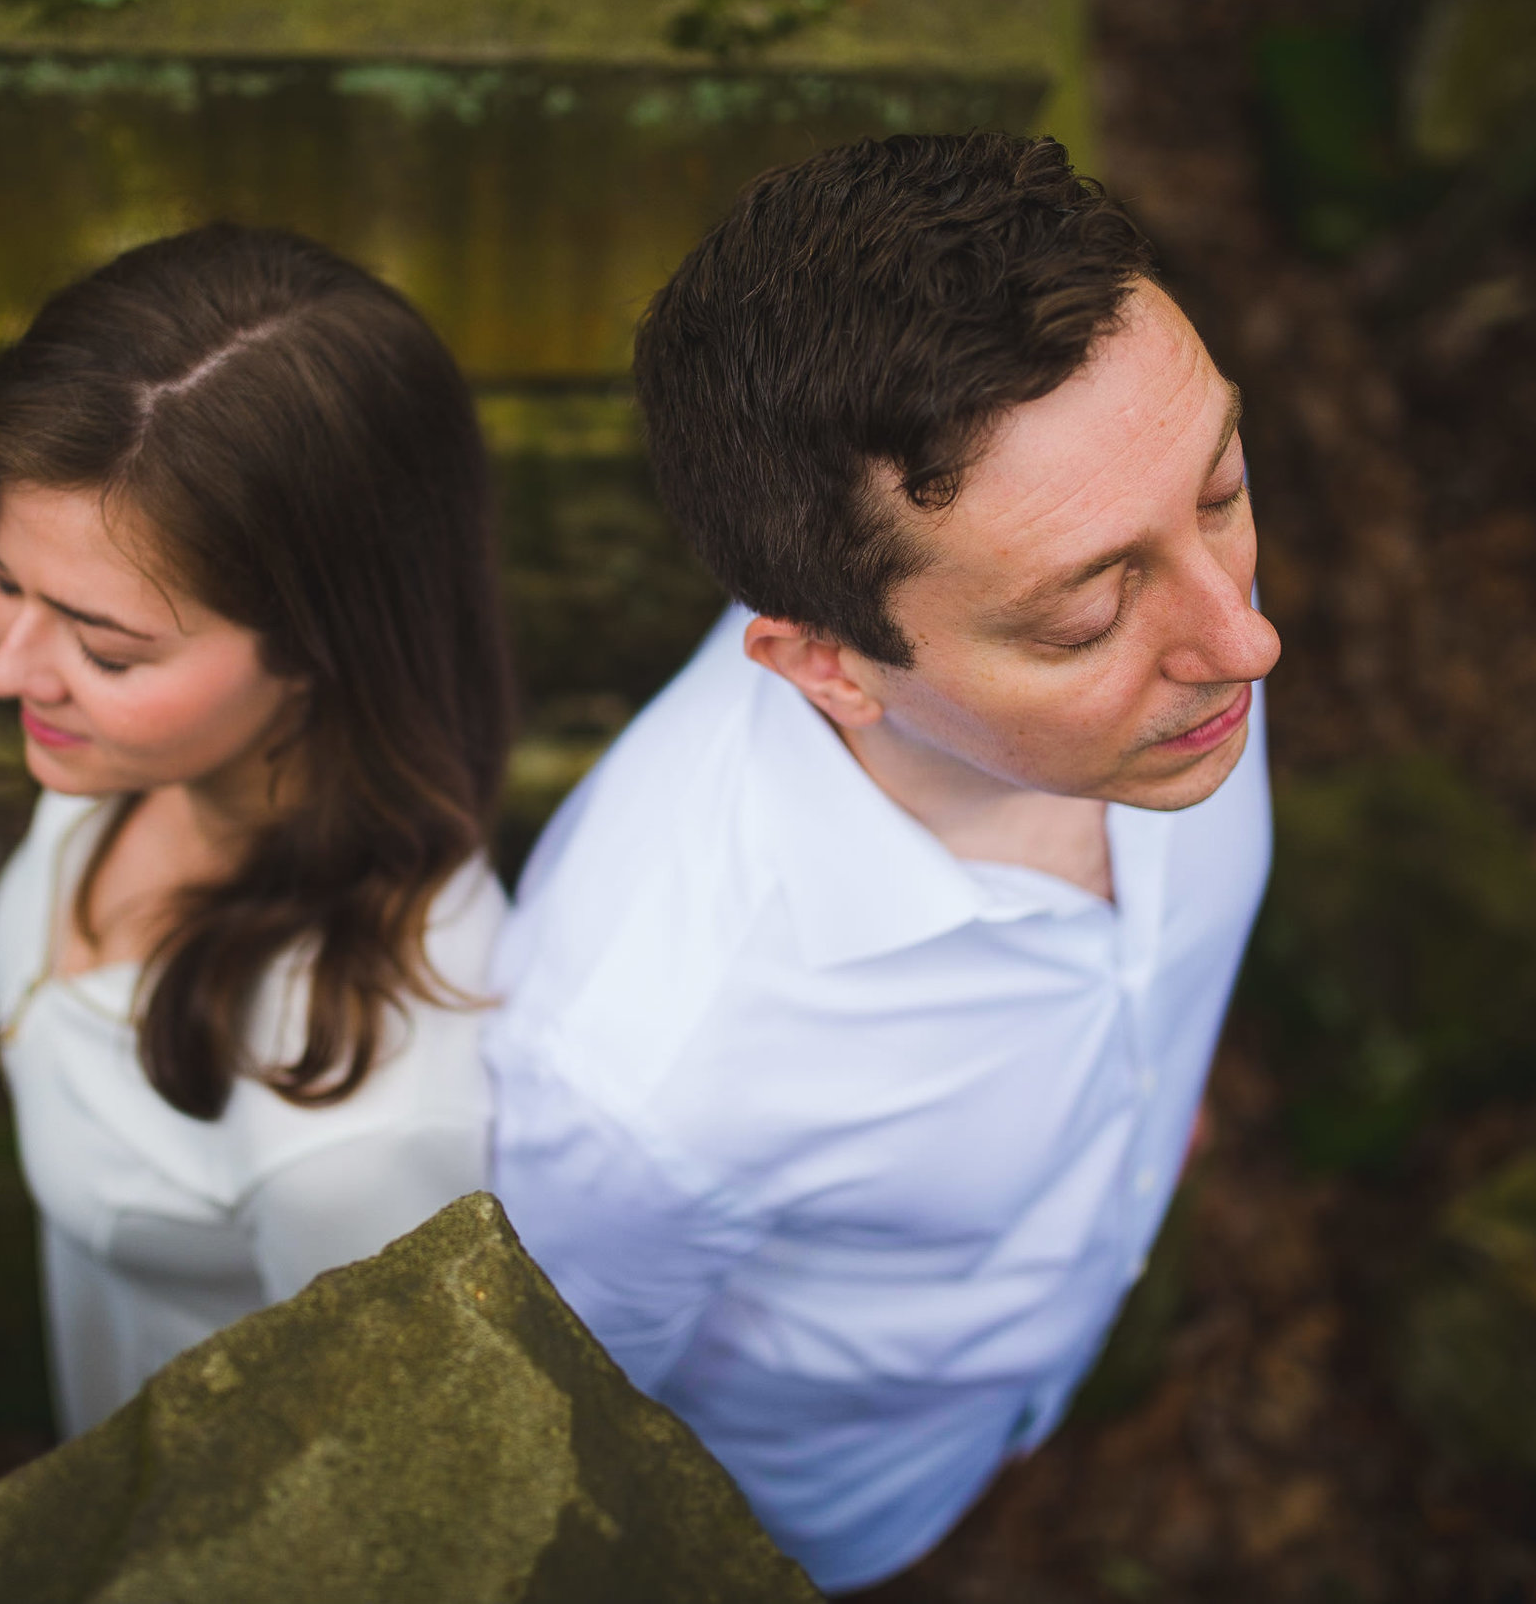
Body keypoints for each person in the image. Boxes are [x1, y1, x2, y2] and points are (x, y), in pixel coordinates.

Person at [485, 132, 1281, 1592]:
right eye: (1081, 619)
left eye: (1224, 488)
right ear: (831, 666)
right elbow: (564, 1441)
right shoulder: (643, 1085)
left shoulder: (1179, 652)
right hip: (825, 1522)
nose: (1248, 641)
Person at [0, 224, 513, 1438]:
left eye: (105, 647)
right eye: (4, 580)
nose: (8, 670)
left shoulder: (365, 1130)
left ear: (321, 645)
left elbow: (375, 1486)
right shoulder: (125, 759)